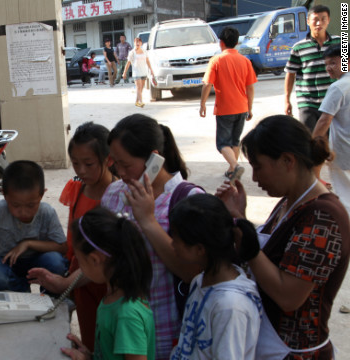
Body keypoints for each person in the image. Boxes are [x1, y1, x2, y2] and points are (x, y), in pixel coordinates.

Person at [216, 115, 350, 359]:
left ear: (288, 161)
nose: (255, 178)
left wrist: (242, 229)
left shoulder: (323, 218)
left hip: (294, 352)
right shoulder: (290, 202)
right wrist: (241, 219)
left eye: (259, 166)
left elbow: (288, 296)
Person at [102, 114, 204, 360]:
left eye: (127, 165)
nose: (120, 172)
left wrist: (147, 221)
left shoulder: (188, 201)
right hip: (122, 327)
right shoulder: (115, 192)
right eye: (115, 163)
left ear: (154, 159)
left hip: (165, 330)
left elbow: (194, 273)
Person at [28, 122, 115, 352]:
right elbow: (72, 242)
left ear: (109, 160)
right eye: (75, 163)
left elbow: (107, 256)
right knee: (89, 342)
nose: (81, 171)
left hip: (110, 287)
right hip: (82, 285)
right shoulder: (77, 190)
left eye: (89, 164)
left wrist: (65, 283)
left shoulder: (117, 196)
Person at [168, 194, 262, 359]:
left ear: (199, 249)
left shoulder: (230, 307)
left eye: (176, 238)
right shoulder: (200, 281)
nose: (171, 243)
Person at [61, 207, 155, 360]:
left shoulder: (127, 315)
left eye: (78, 259)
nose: (78, 265)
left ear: (94, 260)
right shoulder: (113, 297)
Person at [0, 160, 68, 293]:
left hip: (37, 260)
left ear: (41, 195)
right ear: (4, 195)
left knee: (56, 263)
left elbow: (62, 246)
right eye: (15, 205)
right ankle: (22, 292)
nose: (23, 212)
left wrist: (28, 244)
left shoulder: (47, 212)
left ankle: (49, 297)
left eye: (31, 205)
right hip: (3, 261)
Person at [200, 26, 256, 182]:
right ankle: (232, 171)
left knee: (223, 143)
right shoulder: (245, 61)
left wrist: (202, 104)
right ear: (237, 42)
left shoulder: (216, 60)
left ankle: (236, 166)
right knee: (234, 141)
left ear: (221, 42)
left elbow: (207, 84)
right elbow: (250, 87)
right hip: (242, 107)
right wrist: (249, 108)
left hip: (225, 108)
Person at [284, 5, 340, 132]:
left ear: (329, 20)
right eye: (315, 19)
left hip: (332, 100)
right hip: (307, 101)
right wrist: (287, 100)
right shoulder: (298, 47)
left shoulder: (339, 42)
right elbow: (290, 74)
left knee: (330, 140)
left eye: (323, 19)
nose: (319, 23)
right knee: (309, 139)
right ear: (308, 21)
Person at [313, 45, 350, 215]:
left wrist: (311, 145)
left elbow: (324, 121)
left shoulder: (338, 87)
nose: (329, 68)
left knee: (345, 196)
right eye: (327, 64)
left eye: (334, 63)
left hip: (343, 152)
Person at [123, 37, 154, 108]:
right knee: (138, 87)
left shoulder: (144, 51)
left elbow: (148, 61)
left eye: (139, 42)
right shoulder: (132, 52)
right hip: (136, 73)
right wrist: (124, 72)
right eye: (136, 42)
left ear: (141, 43)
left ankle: (137, 101)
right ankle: (141, 102)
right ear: (134, 43)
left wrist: (151, 70)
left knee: (141, 88)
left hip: (143, 72)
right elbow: (128, 63)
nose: (137, 43)